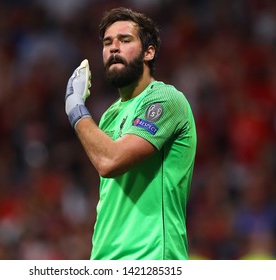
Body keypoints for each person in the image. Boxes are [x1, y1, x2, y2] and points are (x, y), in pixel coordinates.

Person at [65, 7, 197, 260]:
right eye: (107, 43)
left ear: (149, 52)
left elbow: (110, 161)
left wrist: (75, 108)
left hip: (150, 258)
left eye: (124, 40)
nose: (113, 48)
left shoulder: (165, 99)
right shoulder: (109, 115)